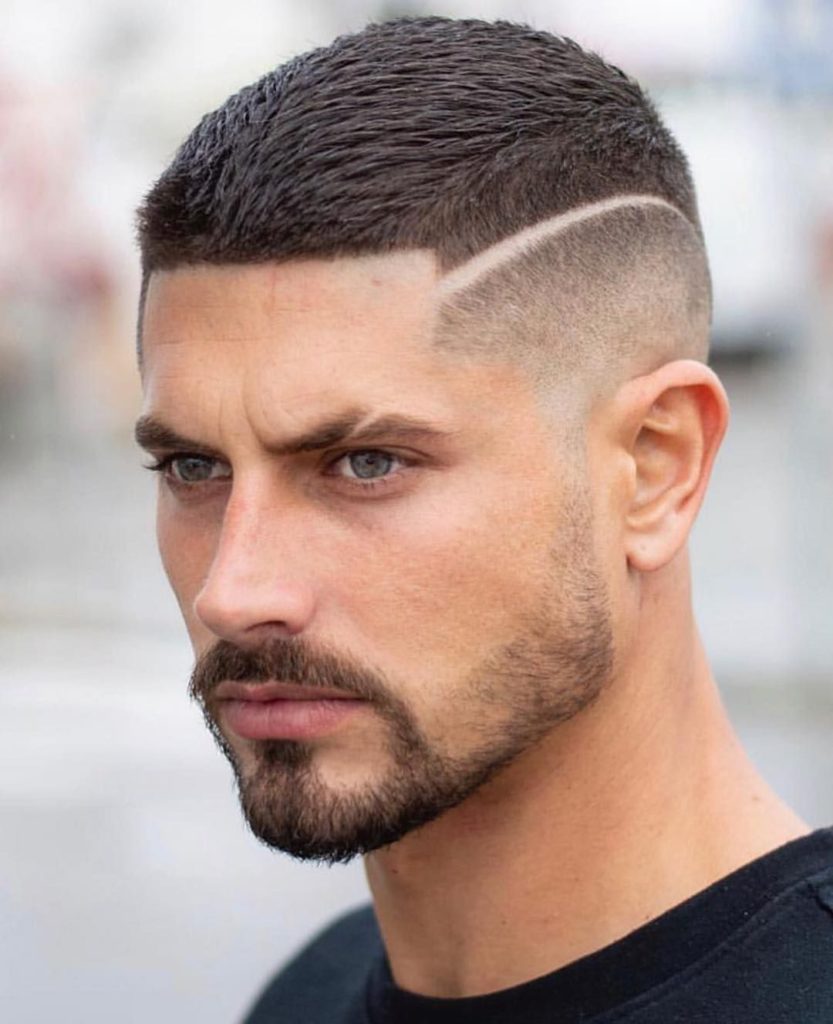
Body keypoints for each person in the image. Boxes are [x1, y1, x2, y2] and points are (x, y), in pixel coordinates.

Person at [133, 17, 833, 1023]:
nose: (232, 592)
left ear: (654, 467)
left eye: (366, 464)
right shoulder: (307, 995)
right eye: (193, 467)